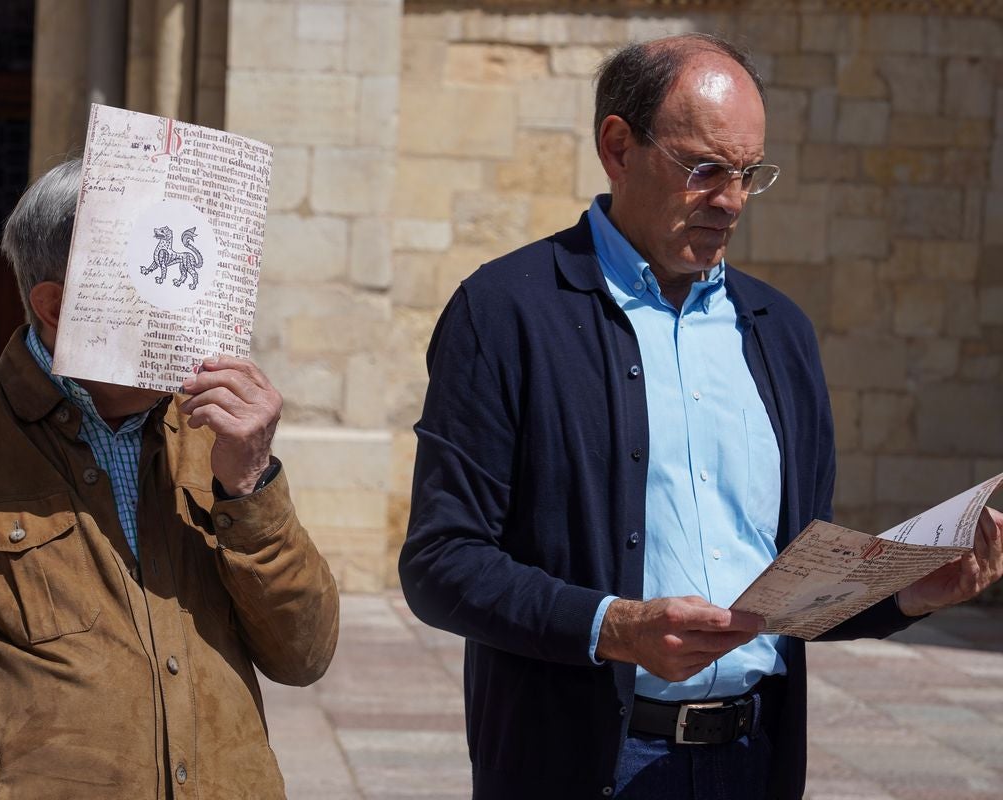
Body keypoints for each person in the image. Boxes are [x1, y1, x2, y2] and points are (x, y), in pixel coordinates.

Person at [398, 33, 1003, 800]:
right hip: (583, 766)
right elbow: (440, 564)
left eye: (750, 174)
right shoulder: (505, 311)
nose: (733, 200)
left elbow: (795, 576)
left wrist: (912, 592)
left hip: (756, 760)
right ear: (617, 146)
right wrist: (615, 627)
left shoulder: (779, 331)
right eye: (706, 169)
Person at [0, 159, 340, 799]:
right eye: (153, 280)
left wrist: (251, 487)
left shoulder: (215, 432)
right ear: (56, 304)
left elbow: (304, 655)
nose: (184, 308)